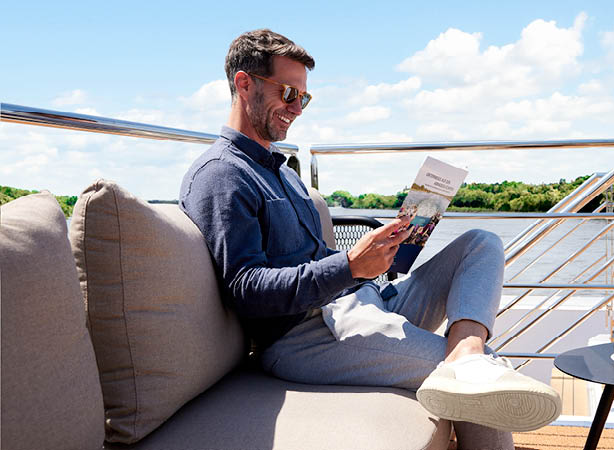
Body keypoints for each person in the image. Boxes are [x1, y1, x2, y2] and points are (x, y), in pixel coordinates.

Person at [180, 29, 561, 450]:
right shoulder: (221, 175)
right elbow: (246, 289)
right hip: (304, 337)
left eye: (303, 98)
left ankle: (467, 351)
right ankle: (471, 362)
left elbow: (315, 259)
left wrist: (382, 254)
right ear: (243, 83)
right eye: (288, 93)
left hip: (365, 300)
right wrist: (348, 266)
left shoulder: (284, 173)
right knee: (476, 379)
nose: (297, 108)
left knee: (481, 242)